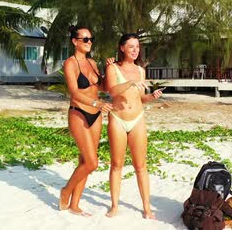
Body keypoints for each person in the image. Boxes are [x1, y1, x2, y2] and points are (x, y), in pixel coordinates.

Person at [104, 33, 163, 219]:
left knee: (141, 165)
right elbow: (112, 91)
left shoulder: (141, 70)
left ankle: (147, 208)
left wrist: (151, 97)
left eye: (137, 47)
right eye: (131, 47)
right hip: (118, 118)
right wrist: (129, 82)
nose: (135, 50)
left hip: (137, 118)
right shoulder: (113, 68)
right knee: (116, 164)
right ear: (122, 48)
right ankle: (114, 206)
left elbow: (140, 98)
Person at [59, 25, 113, 217]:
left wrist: (109, 68)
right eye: (85, 39)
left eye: (91, 39)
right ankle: (66, 191)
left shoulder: (92, 63)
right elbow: (74, 92)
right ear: (75, 41)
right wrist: (95, 103)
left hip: (96, 115)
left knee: (84, 161)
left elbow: (104, 88)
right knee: (92, 163)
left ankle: (75, 205)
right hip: (79, 113)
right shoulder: (70, 63)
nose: (89, 42)